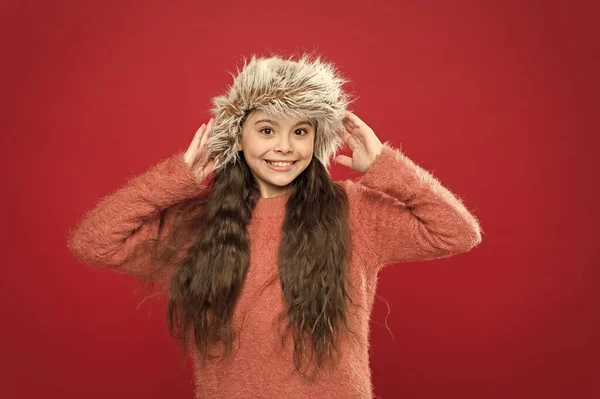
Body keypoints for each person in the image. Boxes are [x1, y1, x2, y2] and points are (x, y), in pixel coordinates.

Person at [67, 52, 483, 398]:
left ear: (316, 140)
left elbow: (457, 232)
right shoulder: (198, 221)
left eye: (300, 131)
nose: (284, 146)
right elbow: (93, 242)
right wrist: (176, 179)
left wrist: (385, 167)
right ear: (238, 138)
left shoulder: (354, 210)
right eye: (267, 129)